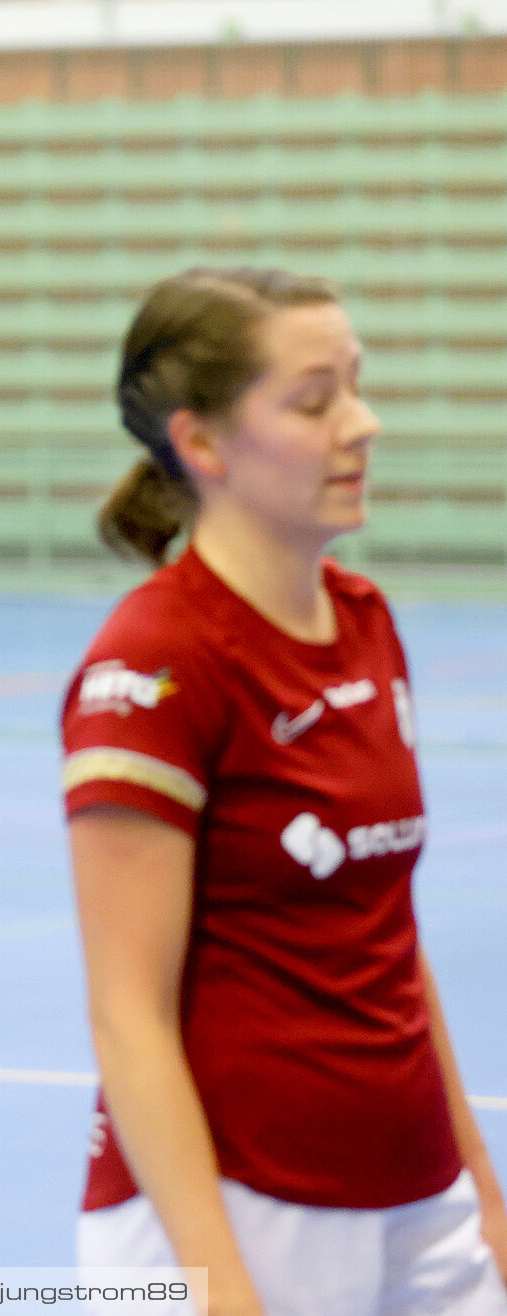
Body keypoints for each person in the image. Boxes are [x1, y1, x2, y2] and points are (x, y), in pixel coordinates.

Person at [62, 268, 507, 1316]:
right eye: (315, 401)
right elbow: (128, 1013)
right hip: (235, 1204)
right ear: (205, 443)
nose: (363, 423)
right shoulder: (155, 664)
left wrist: (480, 1182)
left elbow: (386, 931)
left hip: (413, 1191)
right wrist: (219, 1284)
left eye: (355, 385)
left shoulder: (365, 620)